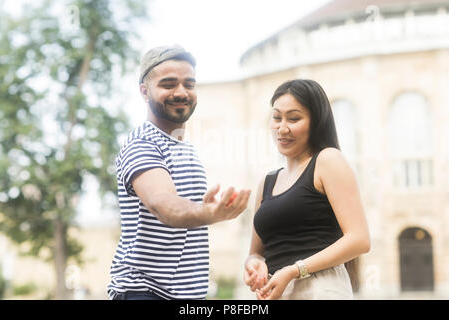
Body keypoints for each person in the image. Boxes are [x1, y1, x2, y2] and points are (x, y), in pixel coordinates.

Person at [107, 45, 251, 300]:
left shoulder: (185, 149)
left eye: (189, 84)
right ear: (144, 91)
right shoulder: (142, 144)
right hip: (146, 293)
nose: (181, 92)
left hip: (187, 296)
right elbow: (163, 203)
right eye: (169, 84)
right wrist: (206, 212)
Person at [243, 79, 370, 300]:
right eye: (276, 117)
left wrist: (294, 270)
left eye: (294, 118)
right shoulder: (267, 181)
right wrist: (254, 264)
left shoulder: (328, 160)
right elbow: (256, 251)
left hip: (320, 289)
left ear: (316, 122)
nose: (282, 128)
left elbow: (359, 239)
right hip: (276, 291)